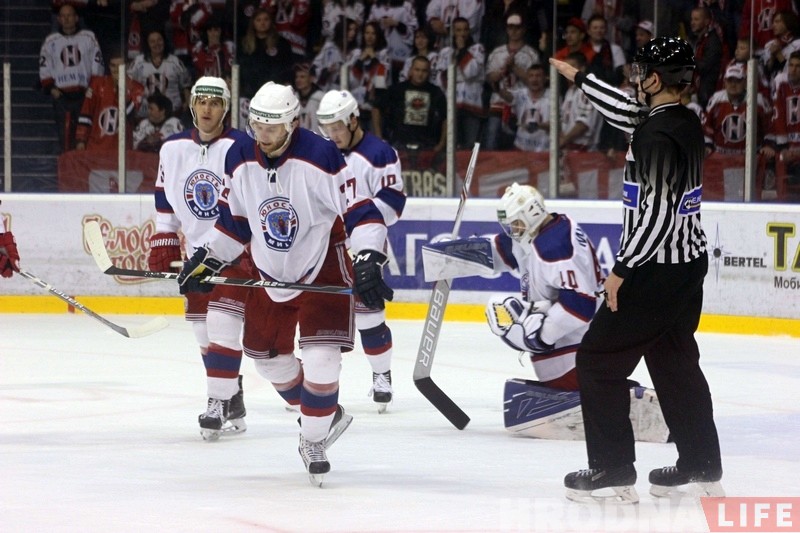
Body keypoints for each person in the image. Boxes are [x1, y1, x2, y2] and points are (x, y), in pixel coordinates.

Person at [550, 37, 723, 503]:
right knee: (675, 362)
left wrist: (622, 269)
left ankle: (611, 470)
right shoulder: (680, 121)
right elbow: (629, 114)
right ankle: (702, 463)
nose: (636, 77)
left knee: (597, 363)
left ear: (656, 79)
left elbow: (658, 213)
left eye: (643, 70)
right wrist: (582, 79)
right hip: (686, 268)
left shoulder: (655, 137)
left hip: (653, 272)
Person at [176, 81, 356, 484]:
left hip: (321, 264)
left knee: (323, 359)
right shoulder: (240, 156)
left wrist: (369, 257)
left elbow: (357, 210)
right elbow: (234, 221)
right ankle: (323, 411)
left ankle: (313, 437)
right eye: (257, 125)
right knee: (267, 360)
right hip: (268, 270)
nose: (264, 135)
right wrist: (206, 259)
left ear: (293, 123)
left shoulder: (321, 156)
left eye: (272, 128)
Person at [421, 183, 669, 443]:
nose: (512, 231)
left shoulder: (554, 247)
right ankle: (597, 389)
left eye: (516, 224)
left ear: (532, 214)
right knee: (503, 309)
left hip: (582, 345)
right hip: (588, 339)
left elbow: (579, 307)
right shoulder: (539, 232)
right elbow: (499, 250)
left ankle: (610, 397)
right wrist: (452, 254)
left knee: (505, 315)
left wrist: (539, 336)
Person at [149, 76, 251, 441]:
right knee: (202, 331)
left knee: (223, 326)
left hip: (236, 251)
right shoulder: (172, 148)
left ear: (226, 107)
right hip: (196, 254)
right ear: (192, 105)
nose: (208, 109)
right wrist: (164, 233)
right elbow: (164, 196)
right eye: (202, 102)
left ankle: (216, 401)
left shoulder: (243, 146)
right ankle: (232, 395)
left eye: (216, 102)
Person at [317, 89, 405, 412]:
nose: (332, 134)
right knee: (320, 314)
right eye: (327, 127)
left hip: (364, 244)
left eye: (337, 126)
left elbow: (394, 204)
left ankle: (382, 376)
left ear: (354, 119)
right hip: (325, 244)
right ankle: (317, 384)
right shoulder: (323, 152)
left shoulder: (380, 153)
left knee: (369, 314)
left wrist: (362, 222)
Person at [39, 3, 105, 153]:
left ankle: (83, 172)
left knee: (84, 136)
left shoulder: (89, 37)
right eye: (63, 16)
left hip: (84, 95)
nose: (67, 19)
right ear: (58, 19)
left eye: (70, 15)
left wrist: (93, 87)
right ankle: (68, 172)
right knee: (66, 137)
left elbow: (97, 62)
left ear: (76, 18)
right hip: (62, 96)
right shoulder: (51, 40)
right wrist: (51, 88)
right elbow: (45, 65)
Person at [483, 13, 541, 150]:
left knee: (517, 146)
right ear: (506, 29)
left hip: (520, 105)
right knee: (491, 143)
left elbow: (535, 82)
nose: (514, 31)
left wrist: (514, 67)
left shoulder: (531, 54)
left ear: (523, 29)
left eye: (517, 28)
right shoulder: (497, 52)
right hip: (498, 101)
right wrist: (504, 70)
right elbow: (490, 77)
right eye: (510, 27)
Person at [374, 56, 447, 156]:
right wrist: (379, 137)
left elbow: (446, 118)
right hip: (399, 144)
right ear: (411, 70)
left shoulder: (435, 92)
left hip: (427, 145)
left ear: (429, 72)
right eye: (417, 70)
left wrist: (441, 144)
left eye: (424, 71)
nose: (420, 74)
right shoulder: (397, 89)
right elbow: (376, 108)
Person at [75, 50, 146, 152]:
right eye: (113, 66)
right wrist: (81, 139)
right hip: (95, 147)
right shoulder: (97, 84)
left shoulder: (137, 88)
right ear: (109, 66)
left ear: (127, 66)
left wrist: (122, 87)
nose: (116, 70)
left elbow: (129, 115)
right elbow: (86, 113)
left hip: (123, 150)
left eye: (120, 66)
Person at [433, 17, 485, 149]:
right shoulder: (445, 52)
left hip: (471, 104)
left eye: (465, 29)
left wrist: (462, 50)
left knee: (469, 146)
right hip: (451, 104)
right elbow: (440, 79)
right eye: (458, 30)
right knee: (451, 145)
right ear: (452, 33)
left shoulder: (477, 49)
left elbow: (470, 72)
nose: (462, 33)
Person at [703, 64, 769, 156]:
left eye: (737, 81)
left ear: (745, 82)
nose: (733, 85)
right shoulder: (716, 99)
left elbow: (769, 127)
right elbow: (707, 127)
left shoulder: (758, 100)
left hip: (751, 158)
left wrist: (768, 145)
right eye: (730, 81)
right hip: (721, 158)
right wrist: (708, 145)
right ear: (725, 82)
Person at [128, 28, 193, 122]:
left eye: (159, 40)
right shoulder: (138, 62)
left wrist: (187, 104)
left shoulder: (175, 62)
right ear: (147, 44)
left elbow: (186, 86)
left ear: (164, 41)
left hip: (173, 116)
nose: (157, 44)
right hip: (144, 117)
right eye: (152, 41)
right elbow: (128, 85)